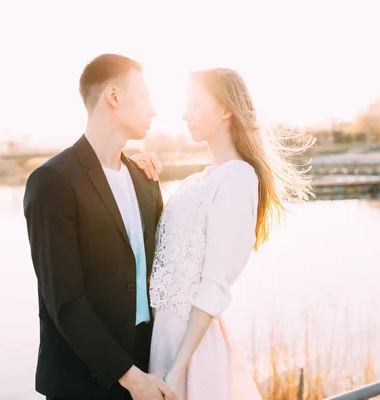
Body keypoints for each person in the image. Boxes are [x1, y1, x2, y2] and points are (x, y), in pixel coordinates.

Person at [132, 68, 314, 399]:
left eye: (195, 105)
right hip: (161, 343)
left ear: (225, 109)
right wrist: (139, 170)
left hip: (191, 355)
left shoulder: (237, 178)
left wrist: (176, 372)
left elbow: (214, 285)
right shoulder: (196, 181)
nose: (185, 115)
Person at [23, 53, 177, 400]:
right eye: (146, 97)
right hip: (82, 384)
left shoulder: (145, 179)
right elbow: (64, 300)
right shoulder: (51, 182)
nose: (153, 110)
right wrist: (130, 379)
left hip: (149, 372)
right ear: (114, 96)